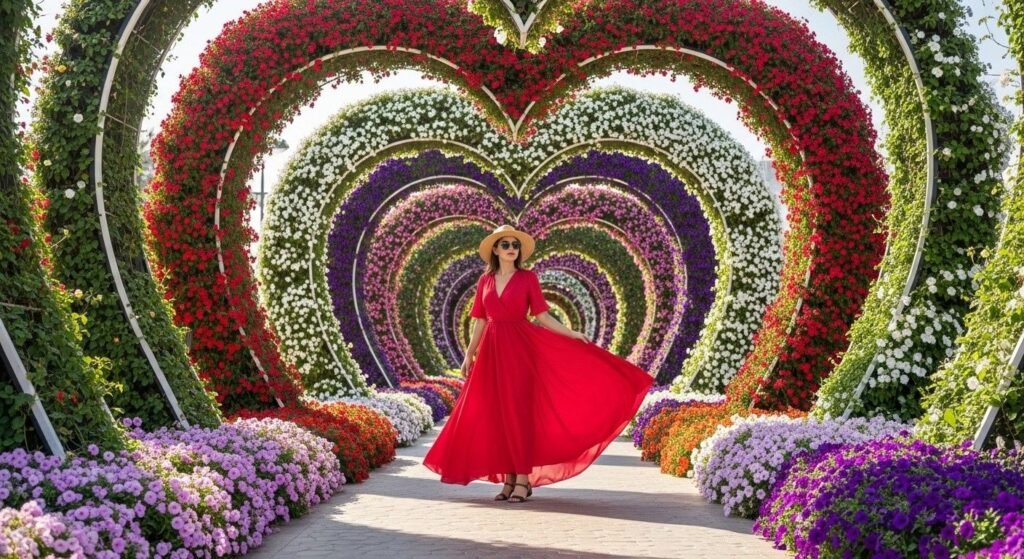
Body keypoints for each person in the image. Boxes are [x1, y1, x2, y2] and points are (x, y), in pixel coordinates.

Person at [422, 225, 654, 503]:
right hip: (491, 353)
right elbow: (480, 321)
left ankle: (522, 478)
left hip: (520, 349)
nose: (511, 248)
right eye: (505, 244)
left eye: (515, 245)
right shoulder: (484, 281)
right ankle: (508, 478)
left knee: (518, 414)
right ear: (495, 249)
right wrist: (469, 354)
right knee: (498, 416)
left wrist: (570, 334)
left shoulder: (528, 278)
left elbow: (542, 316)